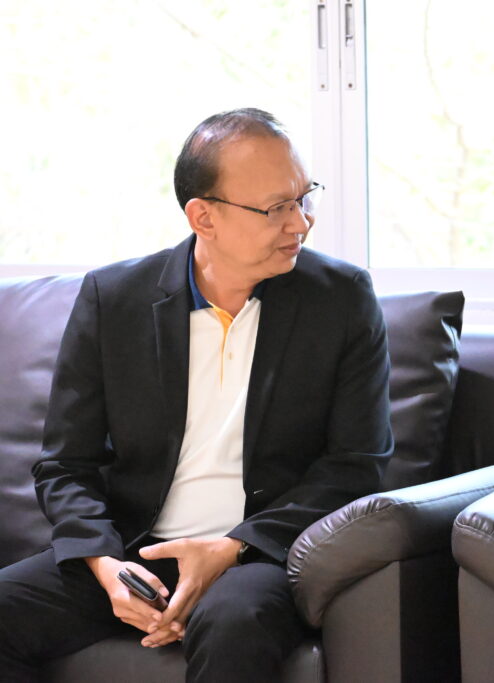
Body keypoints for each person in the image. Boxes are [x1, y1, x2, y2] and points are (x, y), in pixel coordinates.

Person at [0, 108, 393, 682]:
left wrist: (232, 548)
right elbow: (66, 463)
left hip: (257, 551)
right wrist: (104, 563)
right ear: (203, 216)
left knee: (233, 622)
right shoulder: (114, 298)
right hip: (133, 548)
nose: (301, 223)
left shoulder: (342, 298)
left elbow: (357, 463)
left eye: (304, 197)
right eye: (276, 208)